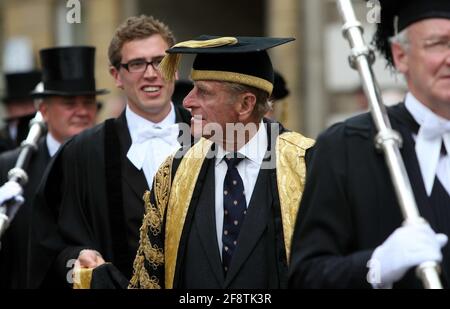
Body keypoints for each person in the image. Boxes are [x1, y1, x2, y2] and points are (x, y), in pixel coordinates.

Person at [125, 35, 315, 289]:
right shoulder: (175, 171)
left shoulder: (307, 165)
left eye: (203, 92)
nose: (187, 101)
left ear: (245, 104)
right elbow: (150, 278)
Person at [289, 0, 450, 289]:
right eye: (437, 44)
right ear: (400, 56)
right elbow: (306, 277)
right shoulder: (345, 147)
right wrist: (376, 266)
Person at [28, 15, 191, 288]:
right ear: (116, 75)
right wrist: (79, 260)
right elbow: (49, 245)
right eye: (137, 64)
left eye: (160, 61)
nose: (151, 73)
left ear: (175, 68)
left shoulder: (210, 140)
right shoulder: (82, 154)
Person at [0, 46, 106, 289]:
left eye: (88, 102)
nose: (82, 111)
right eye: (69, 103)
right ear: (44, 111)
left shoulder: (109, 158)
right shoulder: (11, 167)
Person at [0, 71, 41, 153]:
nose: (27, 109)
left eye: (31, 104)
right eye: (20, 104)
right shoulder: (3, 136)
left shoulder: (44, 132)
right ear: (10, 107)